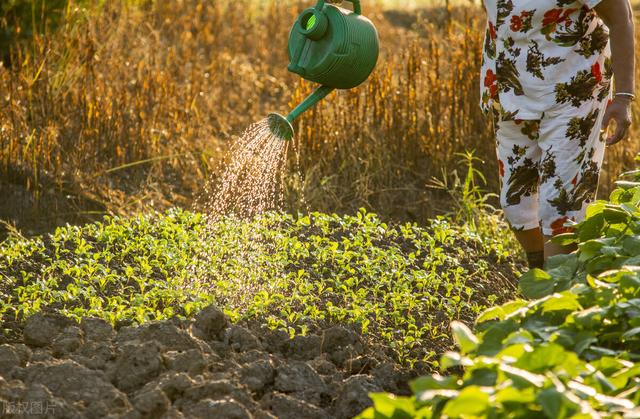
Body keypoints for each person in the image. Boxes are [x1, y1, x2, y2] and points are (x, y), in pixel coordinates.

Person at [481, 0, 636, 269]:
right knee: (515, 206)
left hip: (574, 92)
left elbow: (622, 18)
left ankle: (552, 297)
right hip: (511, 90)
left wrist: (623, 97)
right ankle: (540, 276)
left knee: (561, 207)